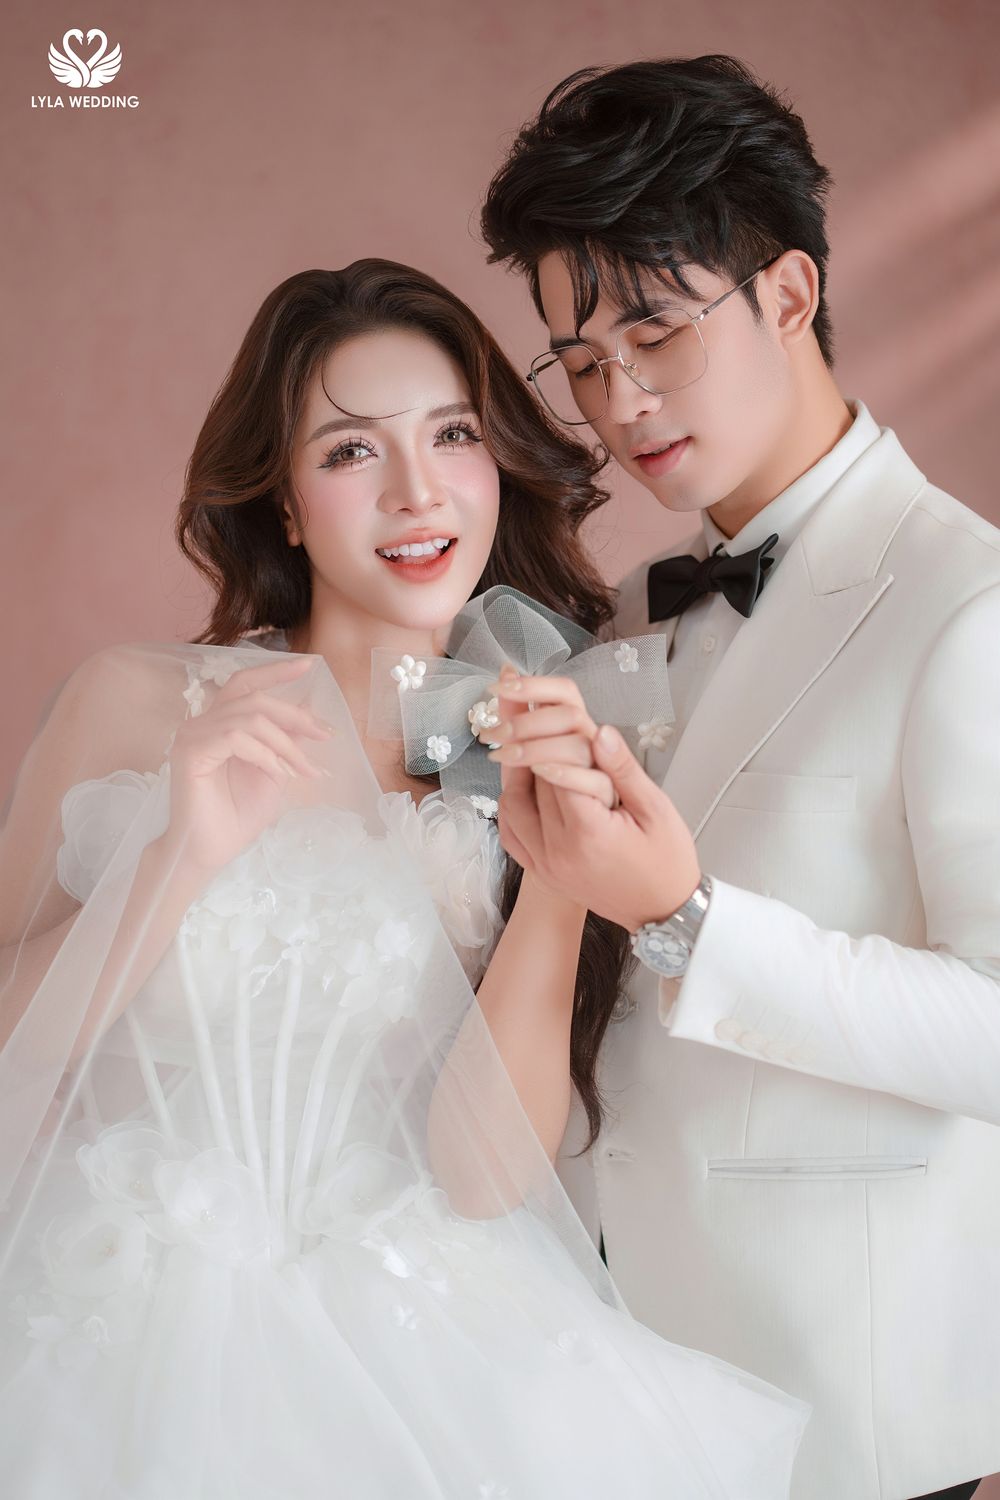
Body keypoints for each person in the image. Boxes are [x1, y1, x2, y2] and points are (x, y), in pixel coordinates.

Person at [0, 260, 808, 1498]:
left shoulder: (518, 748)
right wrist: (178, 857)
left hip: (413, 1329)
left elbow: (483, 1178)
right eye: (350, 452)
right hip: (121, 1310)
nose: (416, 492)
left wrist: (558, 872)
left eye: (453, 436)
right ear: (283, 503)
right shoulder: (137, 702)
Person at [480, 55, 1000, 1500]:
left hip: (854, 1420)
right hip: (619, 1398)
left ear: (787, 293)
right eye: (582, 362)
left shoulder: (967, 605)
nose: (621, 399)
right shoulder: (629, 621)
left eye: (655, 331)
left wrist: (687, 918)